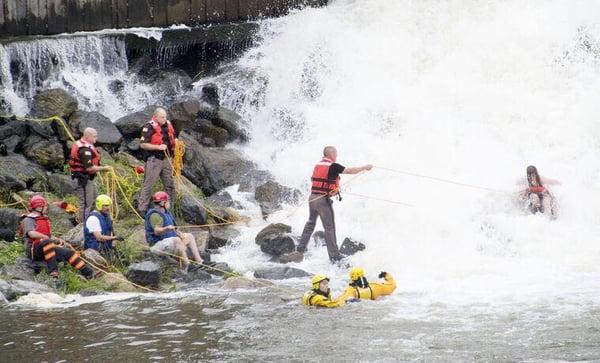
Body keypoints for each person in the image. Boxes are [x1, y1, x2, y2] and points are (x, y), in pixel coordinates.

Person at [296, 146, 373, 262]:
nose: (336, 156)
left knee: (311, 222)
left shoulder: (318, 165)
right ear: (331, 154)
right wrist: (365, 168)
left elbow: (313, 179)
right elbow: (349, 170)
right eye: (336, 154)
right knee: (329, 228)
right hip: (322, 200)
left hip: (312, 198)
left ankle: (300, 249)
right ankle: (334, 256)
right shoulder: (333, 166)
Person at [20, 195, 94, 279]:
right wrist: (46, 238)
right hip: (33, 250)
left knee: (68, 253)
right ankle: (53, 272)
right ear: (39, 207)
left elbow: (48, 236)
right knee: (47, 242)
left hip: (46, 246)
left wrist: (58, 240)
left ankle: (88, 273)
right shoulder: (28, 219)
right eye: (45, 206)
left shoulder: (43, 218)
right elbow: (31, 234)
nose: (46, 208)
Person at [144, 191, 204, 270]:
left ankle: (199, 261)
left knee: (189, 236)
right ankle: (187, 265)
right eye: (167, 201)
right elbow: (157, 231)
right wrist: (167, 228)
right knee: (176, 240)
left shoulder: (167, 213)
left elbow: (174, 228)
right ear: (162, 203)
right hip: (156, 246)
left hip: (170, 243)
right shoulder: (155, 215)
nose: (169, 203)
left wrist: (179, 233)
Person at [137, 107, 177, 214]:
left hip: (167, 159)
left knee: (170, 185)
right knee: (148, 184)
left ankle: (169, 207)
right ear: (155, 117)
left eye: (165, 117)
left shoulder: (167, 124)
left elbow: (172, 137)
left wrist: (176, 142)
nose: (164, 119)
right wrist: (158, 147)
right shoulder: (148, 127)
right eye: (162, 117)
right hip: (154, 160)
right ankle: (142, 209)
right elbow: (143, 144)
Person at [69, 127, 112, 223]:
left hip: (88, 179)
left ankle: (95, 221)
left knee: (94, 200)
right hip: (82, 180)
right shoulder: (84, 150)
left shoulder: (85, 144)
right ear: (88, 136)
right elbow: (89, 168)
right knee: (85, 204)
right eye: (94, 136)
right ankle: (83, 226)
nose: (96, 139)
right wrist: (104, 168)